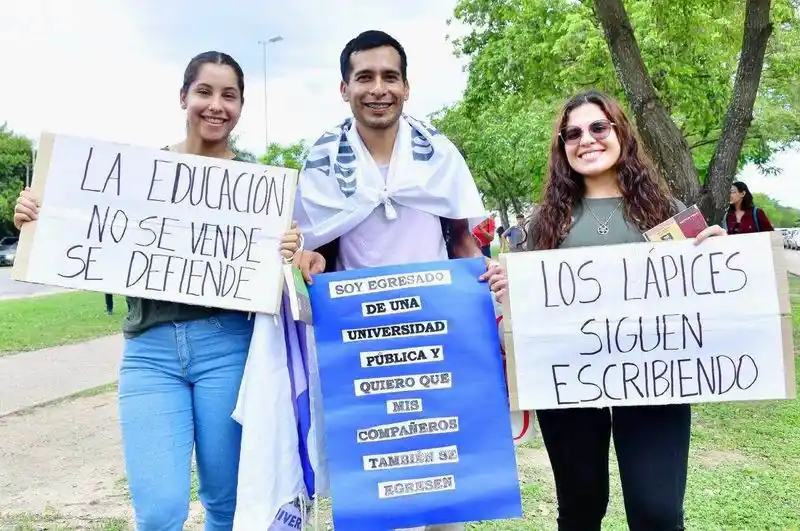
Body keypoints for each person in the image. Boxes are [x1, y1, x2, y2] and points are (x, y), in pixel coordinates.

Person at [13, 51, 304, 531]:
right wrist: (36, 217)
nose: (216, 105)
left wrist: (287, 250)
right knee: (158, 512)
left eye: (229, 95)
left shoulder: (258, 188)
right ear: (183, 97)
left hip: (228, 350)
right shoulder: (140, 174)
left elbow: (276, 277)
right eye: (205, 92)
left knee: (226, 505)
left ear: (241, 106)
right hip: (149, 353)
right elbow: (78, 222)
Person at [482, 89, 726, 531]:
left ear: (620, 133)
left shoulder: (669, 215)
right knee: (580, 508)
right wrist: (505, 286)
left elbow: (704, 297)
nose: (586, 140)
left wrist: (719, 259)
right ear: (562, 147)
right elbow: (526, 308)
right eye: (572, 133)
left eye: (598, 127)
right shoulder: (542, 226)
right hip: (568, 384)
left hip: (656, 382)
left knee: (657, 512)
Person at [289, 30, 489, 531]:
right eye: (365, 77)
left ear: (406, 86)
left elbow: (465, 241)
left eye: (389, 77)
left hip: (437, 339)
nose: (378, 88)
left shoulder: (441, 157)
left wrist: (487, 297)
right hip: (362, 350)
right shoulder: (319, 165)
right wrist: (307, 260)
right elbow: (309, 252)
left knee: (446, 501)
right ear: (344, 88)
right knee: (380, 504)